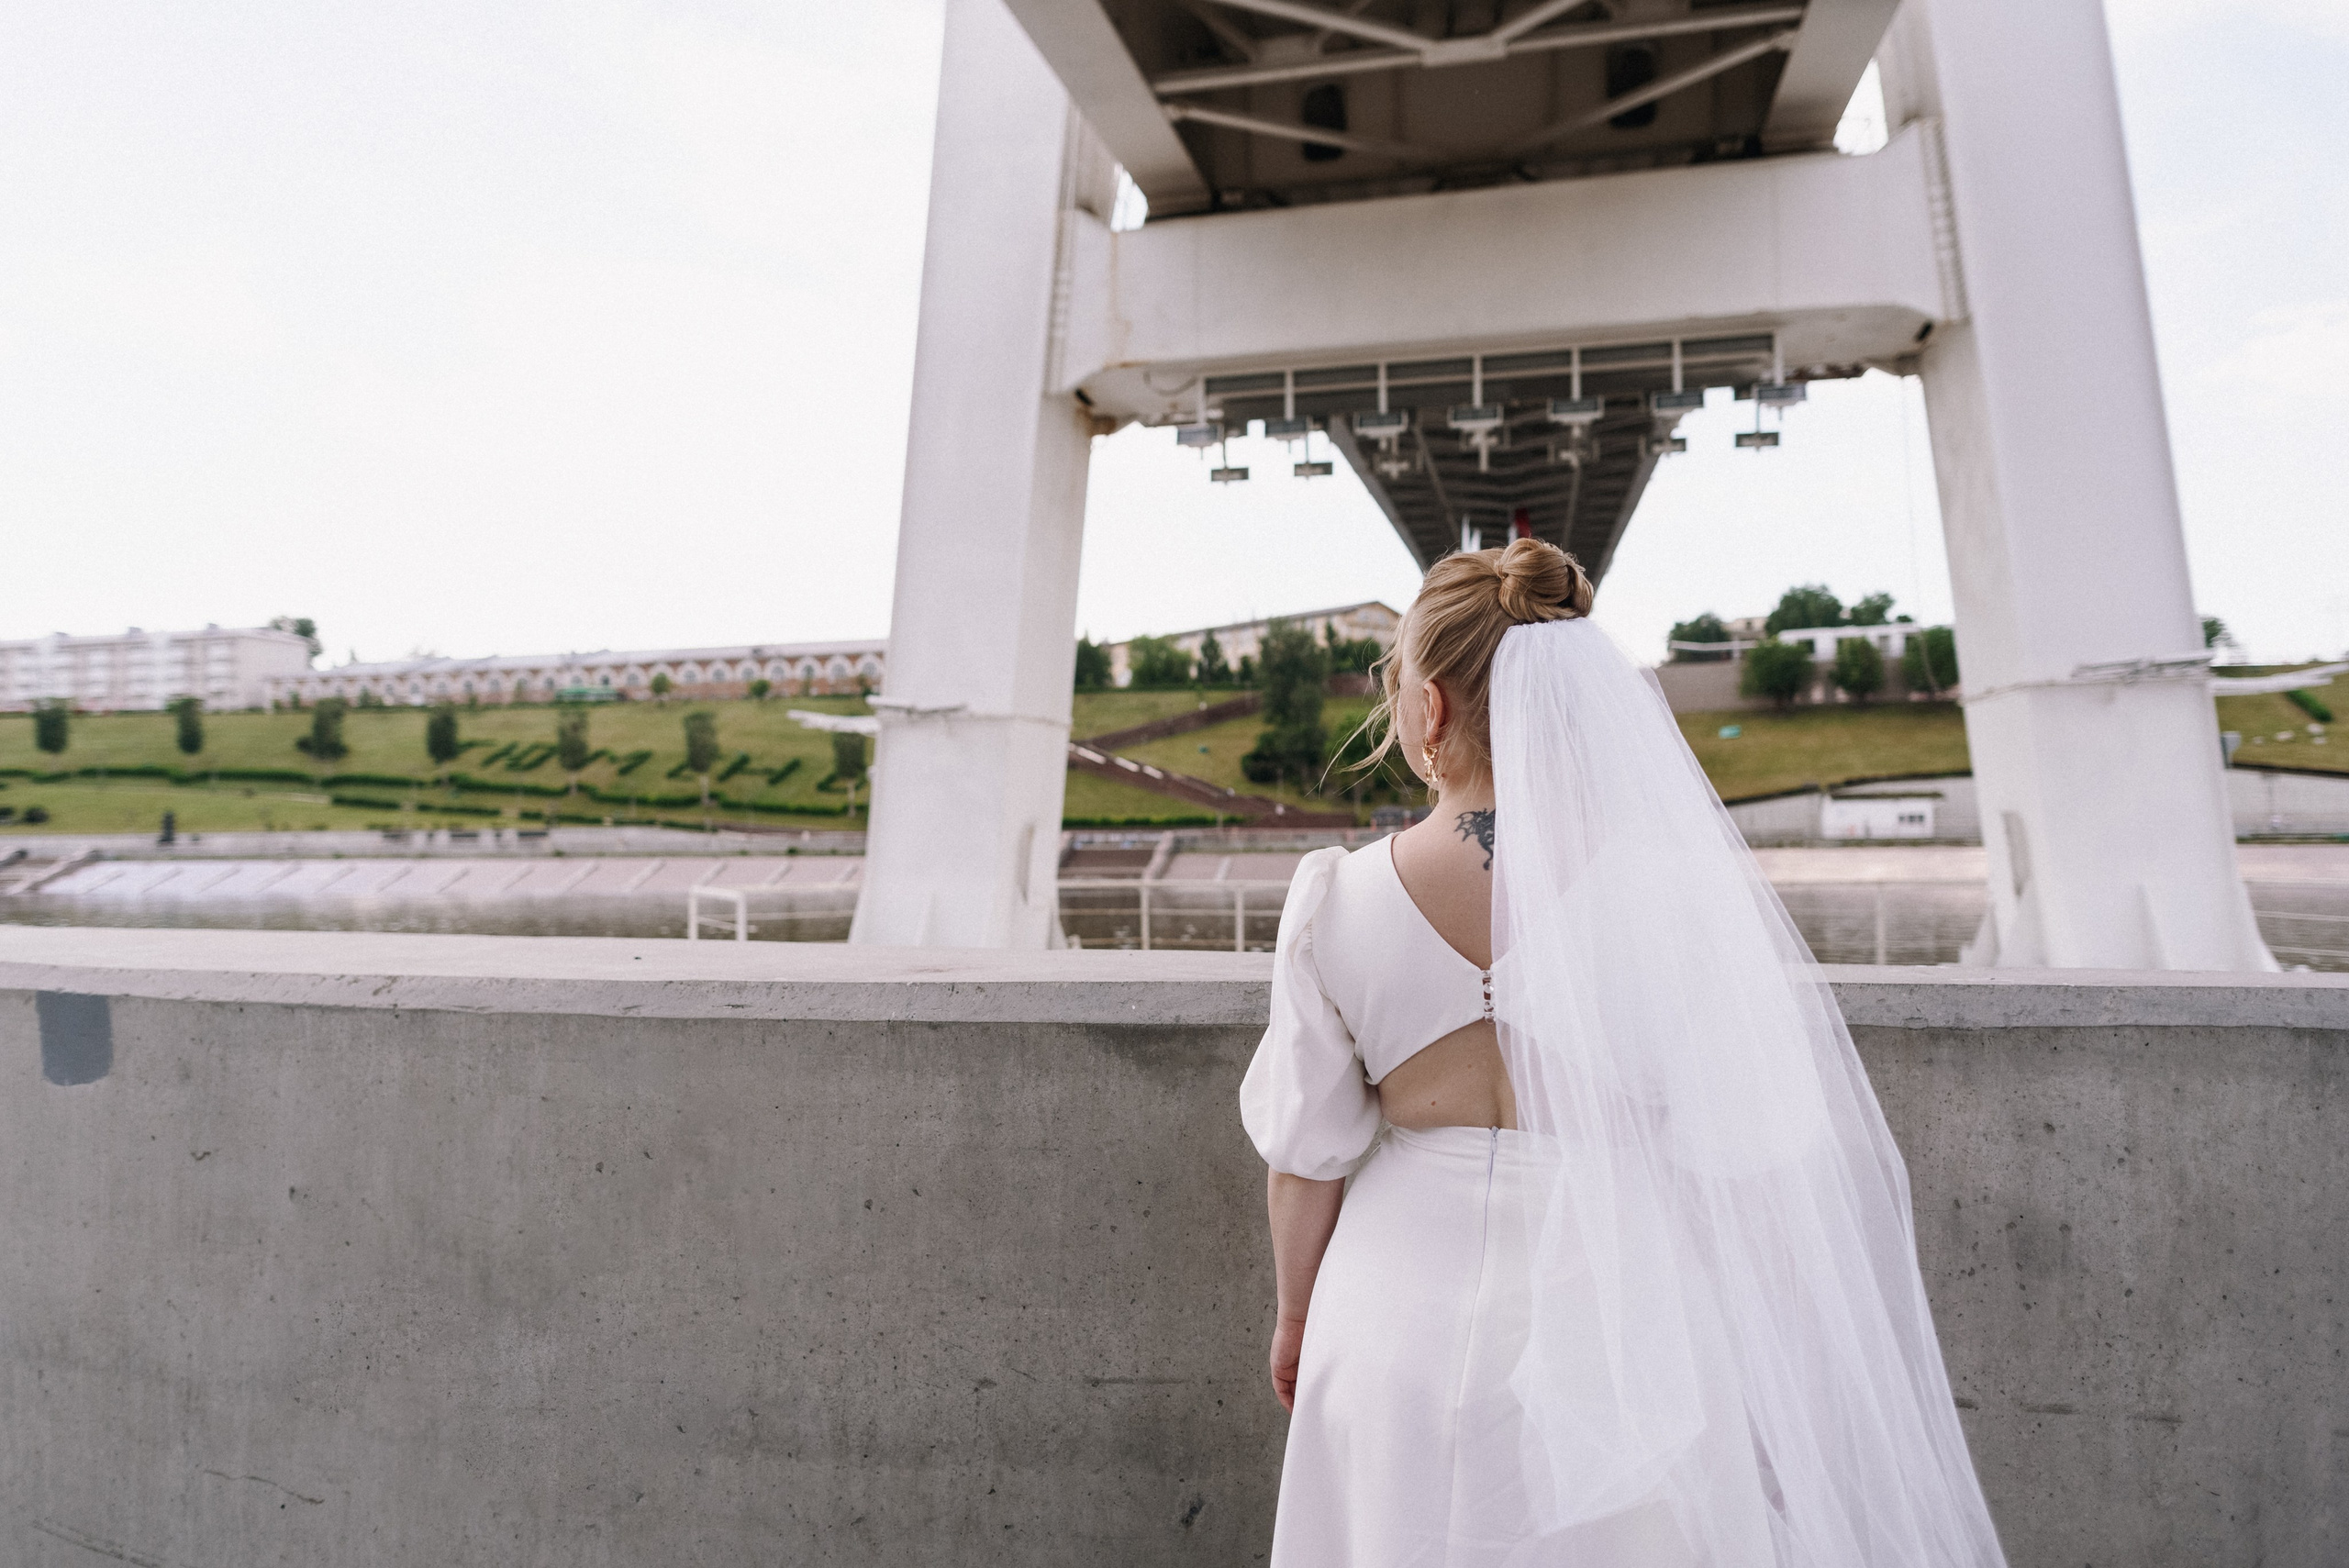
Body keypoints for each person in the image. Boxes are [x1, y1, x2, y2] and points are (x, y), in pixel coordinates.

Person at [1241, 539, 2007, 1567]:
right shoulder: (1668, 900)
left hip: (1390, 1325)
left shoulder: (1333, 899)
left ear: (1427, 712)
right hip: (1620, 1329)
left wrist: (1297, 1318)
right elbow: (1741, 1162)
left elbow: (1308, 1153)